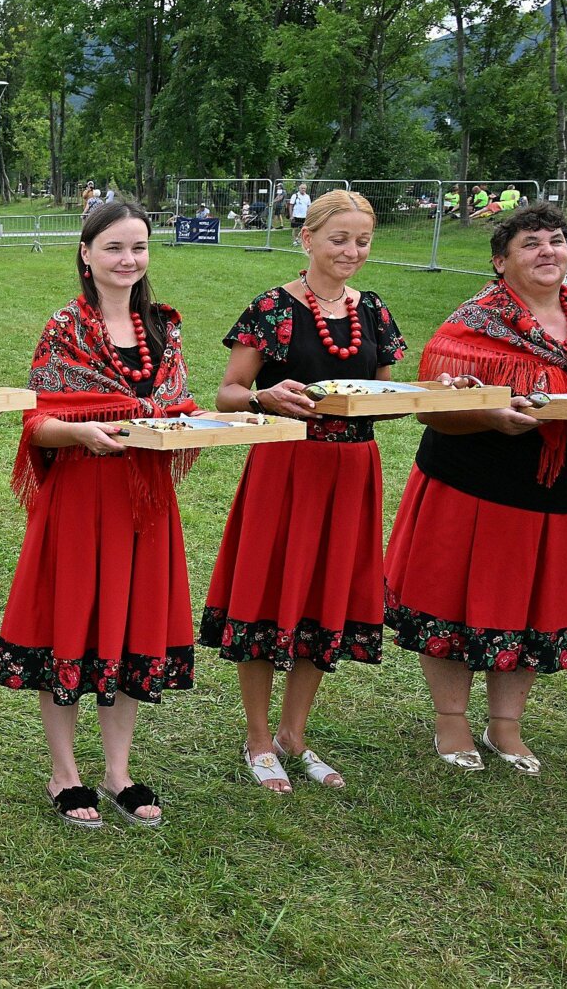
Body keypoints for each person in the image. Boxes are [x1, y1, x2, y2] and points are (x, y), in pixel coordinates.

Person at [0, 202, 197, 829]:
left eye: (138, 247)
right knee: (71, 626)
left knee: (131, 628)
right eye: (113, 247)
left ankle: (118, 772)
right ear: (85, 253)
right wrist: (81, 433)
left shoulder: (164, 328)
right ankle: (64, 773)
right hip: (81, 500)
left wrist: (193, 424)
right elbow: (38, 423)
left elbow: (178, 406)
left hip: (145, 503)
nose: (128, 260)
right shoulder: (65, 328)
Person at [197, 190, 407, 792]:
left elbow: (388, 397)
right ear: (307, 239)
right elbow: (228, 394)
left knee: (324, 595)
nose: (352, 251)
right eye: (339, 239)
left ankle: (294, 733)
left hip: (353, 471)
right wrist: (262, 395)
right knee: (268, 593)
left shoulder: (374, 311)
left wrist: (429, 392)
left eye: (362, 240)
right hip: (286, 468)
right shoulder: (272, 308)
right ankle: (258, 737)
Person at [386, 203, 567, 775]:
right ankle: (451, 720)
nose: (548, 250)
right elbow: (432, 410)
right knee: (453, 601)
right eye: (531, 243)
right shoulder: (473, 323)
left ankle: (506, 726)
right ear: (501, 261)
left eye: (556, 240)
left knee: (533, 606)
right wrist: (489, 416)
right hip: (472, 487)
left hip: (562, 495)